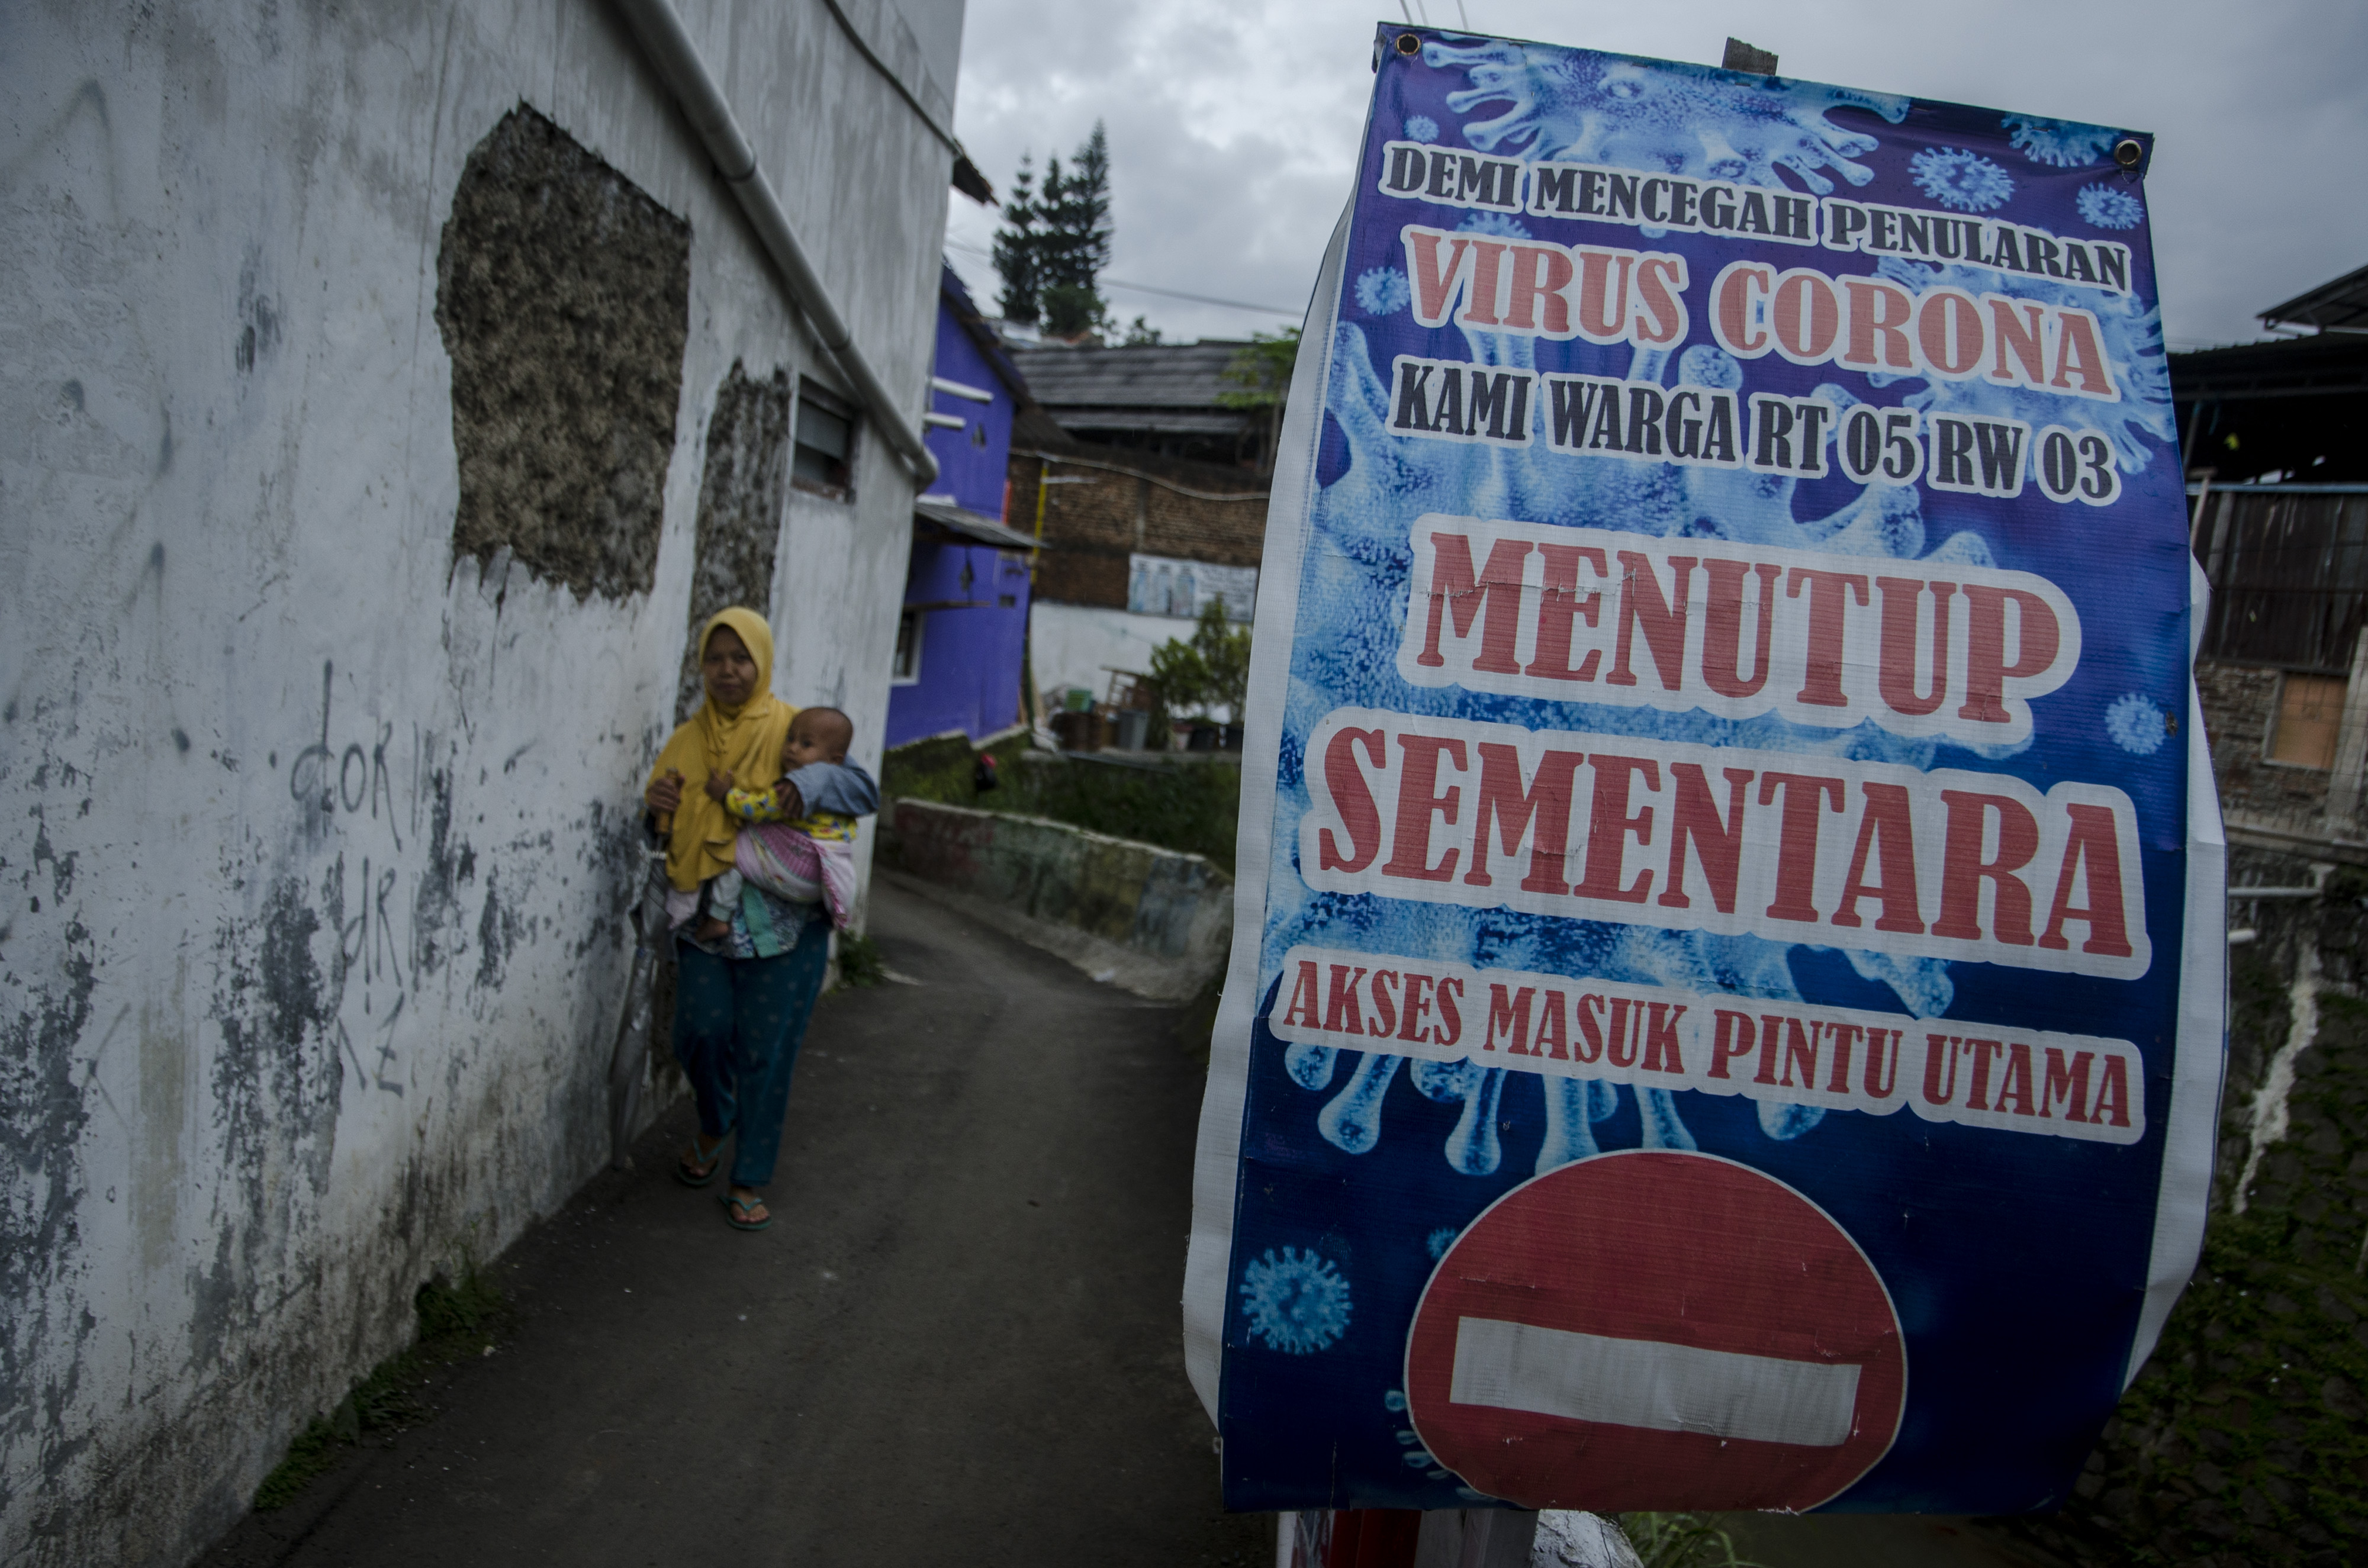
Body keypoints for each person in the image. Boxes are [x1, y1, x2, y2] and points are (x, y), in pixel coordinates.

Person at [642, 608, 829, 1232]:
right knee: (698, 1030)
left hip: (783, 920)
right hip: (704, 914)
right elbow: (663, 829)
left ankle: (748, 1176)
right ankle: (716, 1119)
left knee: (765, 1052)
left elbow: (845, 798)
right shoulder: (687, 739)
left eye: (740, 658)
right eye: (715, 659)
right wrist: (657, 806)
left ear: (762, 662)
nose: (727, 670)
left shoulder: (794, 733)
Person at [703, 705, 878, 936]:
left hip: (797, 872)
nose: (792, 748)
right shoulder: (839, 793)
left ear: (836, 761)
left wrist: (725, 795)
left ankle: (718, 916)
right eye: (790, 739)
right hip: (828, 877)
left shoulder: (797, 789)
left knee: (731, 851)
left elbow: (758, 808)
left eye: (806, 744)